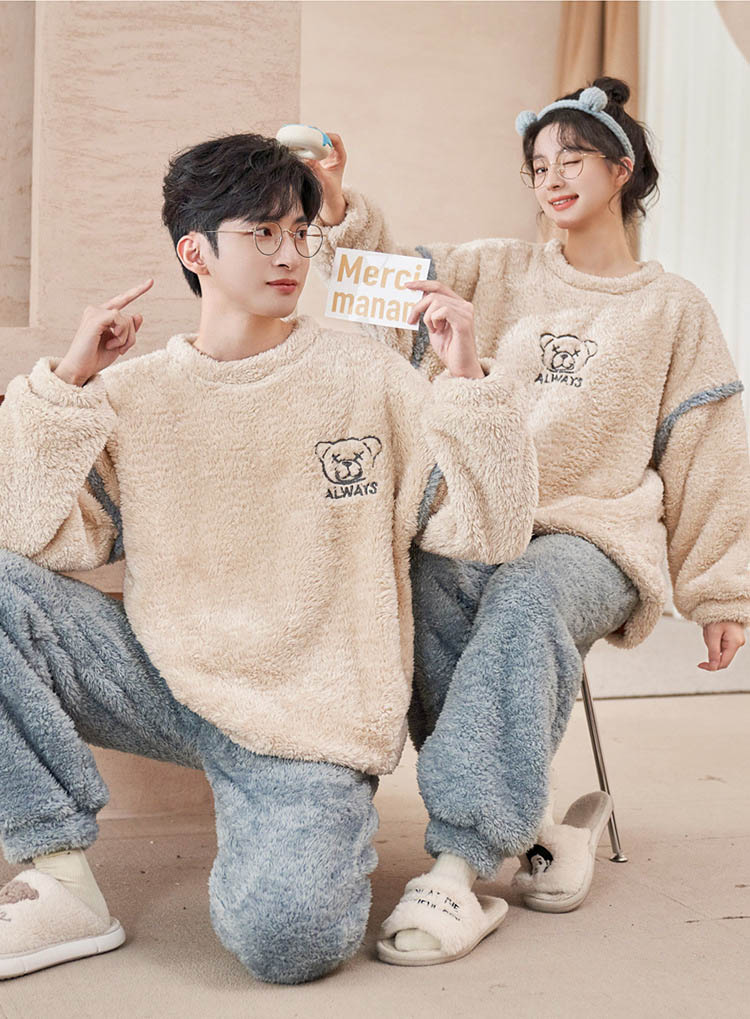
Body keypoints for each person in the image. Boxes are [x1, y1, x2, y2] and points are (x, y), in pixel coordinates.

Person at [0, 133, 538, 983]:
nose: (290, 255)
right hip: (165, 674)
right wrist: (67, 383)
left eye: (299, 232)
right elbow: (30, 534)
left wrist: (467, 380)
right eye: (262, 232)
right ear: (195, 251)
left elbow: (492, 531)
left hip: (308, 714)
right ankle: (59, 878)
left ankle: (291, 832)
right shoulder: (134, 393)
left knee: (290, 941)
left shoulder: (369, 378)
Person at [308, 76, 750, 965]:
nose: (552, 177)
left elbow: (710, 450)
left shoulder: (674, 308)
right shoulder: (498, 268)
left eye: (573, 159)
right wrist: (337, 205)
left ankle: (459, 864)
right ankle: (535, 826)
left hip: (597, 535)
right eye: (539, 165)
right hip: (481, 516)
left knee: (525, 595)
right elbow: (382, 281)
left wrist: (722, 591)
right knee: (428, 574)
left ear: (621, 169)